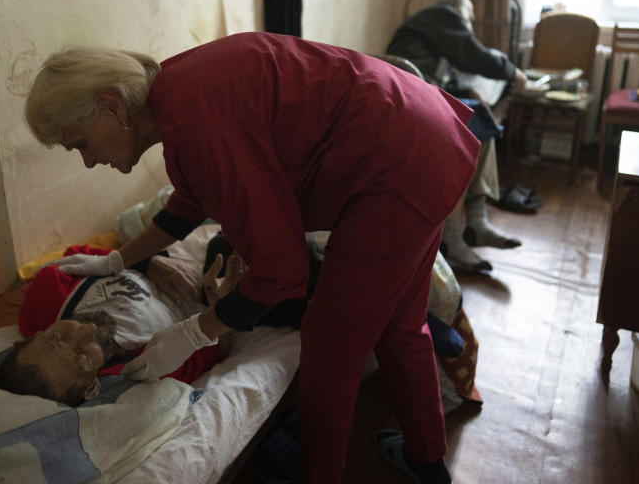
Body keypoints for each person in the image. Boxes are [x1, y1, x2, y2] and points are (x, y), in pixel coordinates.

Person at [24, 31, 480, 483]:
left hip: (397, 166)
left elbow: (281, 272)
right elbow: (192, 199)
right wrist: (117, 260)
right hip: (424, 135)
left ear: (112, 105)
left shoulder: (195, 124)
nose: (87, 162)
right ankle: (427, 461)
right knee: (401, 322)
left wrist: (192, 334)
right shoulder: (175, 91)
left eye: (80, 143)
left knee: (329, 344)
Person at [387, 0, 529, 273]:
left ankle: (476, 220)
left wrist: (467, 92)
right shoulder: (442, 17)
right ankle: (452, 236)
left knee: (481, 119)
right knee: (469, 127)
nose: (470, 24)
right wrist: (513, 72)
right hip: (409, 97)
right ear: (456, 11)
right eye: (470, 17)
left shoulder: (428, 28)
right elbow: (472, 54)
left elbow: (443, 72)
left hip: (414, 93)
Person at [0, 246, 243, 406]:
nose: (86, 330)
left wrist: (150, 260)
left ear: (35, 336)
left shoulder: (47, 295)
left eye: (58, 337)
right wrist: (222, 308)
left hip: (163, 253)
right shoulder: (144, 367)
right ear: (91, 387)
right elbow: (207, 352)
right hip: (210, 291)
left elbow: (87, 255)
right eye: (82, 358)